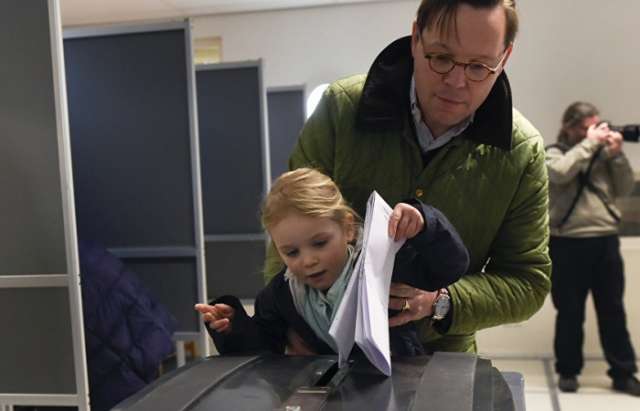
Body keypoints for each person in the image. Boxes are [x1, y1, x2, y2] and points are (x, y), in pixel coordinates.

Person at [264, 0, 551, 354]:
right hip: (329, 351)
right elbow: (287, 227)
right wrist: (288, 329)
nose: (456, 82)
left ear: (504, 57)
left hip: (442, 357)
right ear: (416, 37)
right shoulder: (341, 110)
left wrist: (440, 302)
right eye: (441, 58)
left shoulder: (521, 152)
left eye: (479, 66)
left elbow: (528, 282)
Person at [195, 168, 469, 356]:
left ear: (348, 229)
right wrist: (234, 329)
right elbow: (264, 348)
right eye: (291, 252)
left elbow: (450, 266)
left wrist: (425, 225)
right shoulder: (282, 293)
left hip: (398, 389)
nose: (308, 260)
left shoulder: (381, 265)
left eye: (319, 243)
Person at [546, 101, 640, 396]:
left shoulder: (602, 156)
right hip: (567, 243)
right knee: (570, 311)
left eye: (595, 127)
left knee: (613, 310)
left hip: (605, 241)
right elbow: (560, 173)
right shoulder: (555, 152)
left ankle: (623, 373)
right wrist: (589, 144)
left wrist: (616, 155)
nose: (593, 133)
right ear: (569, 128)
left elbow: (624, 189)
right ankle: (568, 371)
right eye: (586, 128)